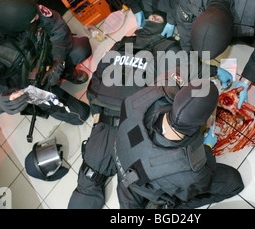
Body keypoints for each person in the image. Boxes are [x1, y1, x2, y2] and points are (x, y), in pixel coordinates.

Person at [67, 14, 233, 209]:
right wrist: (214, 71)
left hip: (108, 124)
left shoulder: (121, 44)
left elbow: (96, 78)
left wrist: (96, 111)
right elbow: (187, 68)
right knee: (133, 190)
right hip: (137, 130)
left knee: (89, 180)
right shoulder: (167, 48)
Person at [0, 0, 92, 125]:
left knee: (81, 48)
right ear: (14, 29)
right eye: (33, 20)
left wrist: (58, 61)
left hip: (41, 54)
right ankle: (49, 96)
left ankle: (66, 74)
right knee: (81, 115)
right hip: (24, 81)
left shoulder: (19, 8)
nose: (37, 17)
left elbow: (58, 26)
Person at [114, 80, 244, 209]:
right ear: (203, 121)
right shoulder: (189, 170)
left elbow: (187, 102)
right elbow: (204, 178)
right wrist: (207, 147)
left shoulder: (137, 99)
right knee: (234, 183)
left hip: (126, 162)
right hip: (150, 179)